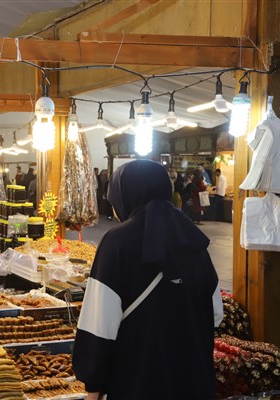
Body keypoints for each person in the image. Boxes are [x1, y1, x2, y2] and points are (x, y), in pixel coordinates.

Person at [72, 160, 223, 400]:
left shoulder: (117, 242)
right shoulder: (194, 239)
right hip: (193, 382)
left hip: (137, 382)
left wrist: (93, 386)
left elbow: (99, 326)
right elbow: (215, 313)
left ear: (126, 194)